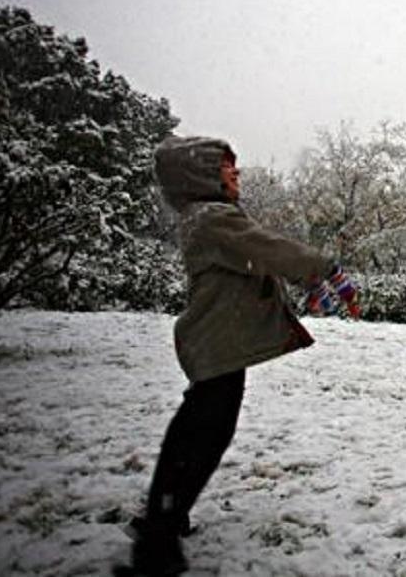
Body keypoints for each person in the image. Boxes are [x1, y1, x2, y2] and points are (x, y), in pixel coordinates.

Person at [121, 135, 361, 575]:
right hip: (215, 346)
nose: (236, 173)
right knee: (202, 435)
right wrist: (324, 270)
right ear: (200, 176)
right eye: (226, 167)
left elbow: (254, 264)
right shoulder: (212, 219)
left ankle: (166, 516)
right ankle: (158, 537)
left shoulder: (209, 219)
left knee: (199, 433)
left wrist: (309, 290)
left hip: (217, 346)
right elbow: (266, 248)